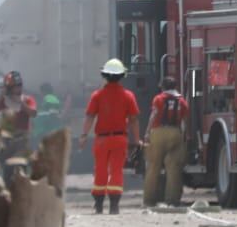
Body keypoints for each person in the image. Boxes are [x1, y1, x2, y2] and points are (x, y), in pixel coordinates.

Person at [79, 58, 140, 214]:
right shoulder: (128, 96)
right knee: (116, 170)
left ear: (104, 75)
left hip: (101, 139)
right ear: (122, 76)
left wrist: (84, 135)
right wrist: (136, 139)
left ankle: (98, 205)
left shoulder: (97, 95)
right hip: (120, 139)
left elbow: (90, 116)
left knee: (100, 170)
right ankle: (114, 206)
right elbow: (133, 120)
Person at [142, 76, 190, 209]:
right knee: (174, 167)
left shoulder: (158, 99)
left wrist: (147, 133)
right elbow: (185, 121)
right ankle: (172, 200)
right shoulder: (182, 101)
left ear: (162, 87)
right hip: (175, 133)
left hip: (158, 132)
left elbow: (154, 115)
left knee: (153, 167)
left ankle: (149, 200)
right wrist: (187, 135)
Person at [0, 70, 37, 182]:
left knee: (21, 166)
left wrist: (20, 103)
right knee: (5, 166)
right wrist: (1, 96)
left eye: (19, 85)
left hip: (21, 139)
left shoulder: (27, 99)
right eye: (15, 86)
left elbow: (33, 113)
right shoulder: (4, 101)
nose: (18, 89)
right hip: (7, 140)